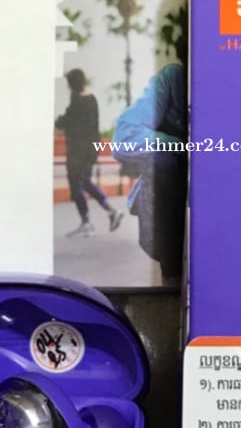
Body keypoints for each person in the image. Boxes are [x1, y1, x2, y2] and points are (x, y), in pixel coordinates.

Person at [113, 60, 186, 279]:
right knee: (161, 160)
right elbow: (124, 137)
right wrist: (182, 146)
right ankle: (171, 275)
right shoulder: (174, 79)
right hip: (172, 206)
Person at [56, 68, 122, 236]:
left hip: (77, 152)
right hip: (90, 150)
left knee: (76, 184)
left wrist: (58, 123)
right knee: (85, 182)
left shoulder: (77, 102)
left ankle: (87, 222)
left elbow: (66, 122)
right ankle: (110, 211)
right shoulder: (91, 100)